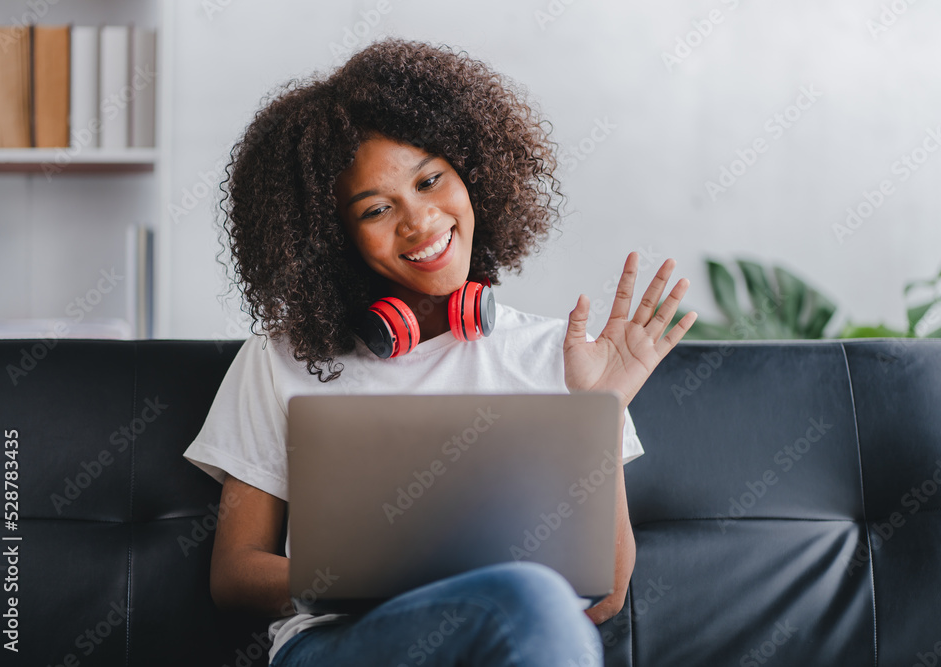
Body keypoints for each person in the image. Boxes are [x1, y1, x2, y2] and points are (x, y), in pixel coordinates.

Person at [183, 37, 697, 666]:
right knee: (526, 598)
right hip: (336, 645)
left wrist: (602, 409)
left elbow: (603, 600)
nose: (421, 222)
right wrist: (386, 579)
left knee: (530, 600)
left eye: (431, 180)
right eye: (376, 209)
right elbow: (234, 577)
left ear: (473, 174)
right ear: (332, 236)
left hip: (511, 638)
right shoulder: (280, 358)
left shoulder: (558, 357)